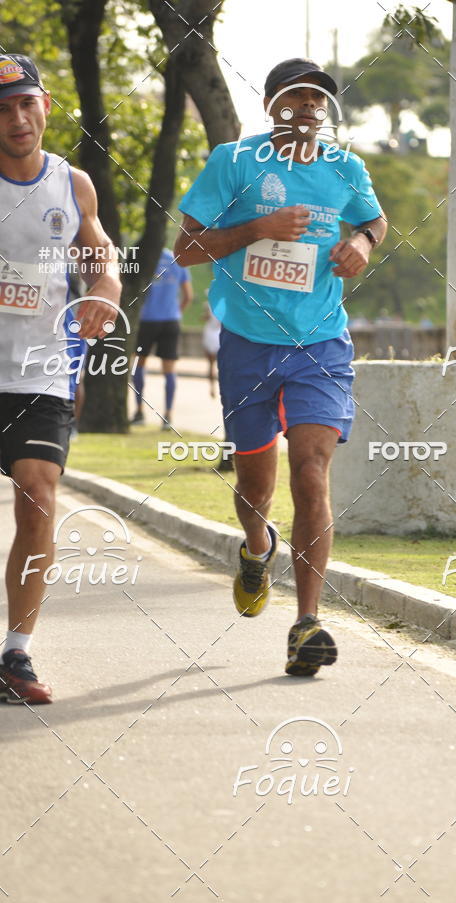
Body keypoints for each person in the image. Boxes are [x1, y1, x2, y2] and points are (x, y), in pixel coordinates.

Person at [175, 58, 387, 677]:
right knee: (256, 487)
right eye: (295, 97)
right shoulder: (234, 162)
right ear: (271, 106)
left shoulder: (344, 167)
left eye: (318, 98)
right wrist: (258, 228)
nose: (308, 107)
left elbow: (373, 219)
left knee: (312, 474)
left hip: (320, 342)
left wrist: (361, 243)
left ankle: (307, 623)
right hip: (248, 343)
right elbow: (186, 249)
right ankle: (256, 545)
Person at [0, 54, 121, 704]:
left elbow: (100, 253)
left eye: (27, 103)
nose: (17, 119)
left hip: (42, 369)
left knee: (38, 493)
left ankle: (15, 652)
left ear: (45, 105)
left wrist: (106, 289)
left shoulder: (72, 184)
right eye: (3, 109)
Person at [130, 247, 192, 429]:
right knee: (169, 369)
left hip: (146, 320)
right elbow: (188, 296)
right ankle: (168, 415)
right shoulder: (178, 260)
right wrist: (176, 313)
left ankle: (139, 411)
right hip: (170, 321)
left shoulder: (145, 258)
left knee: (139, 364)